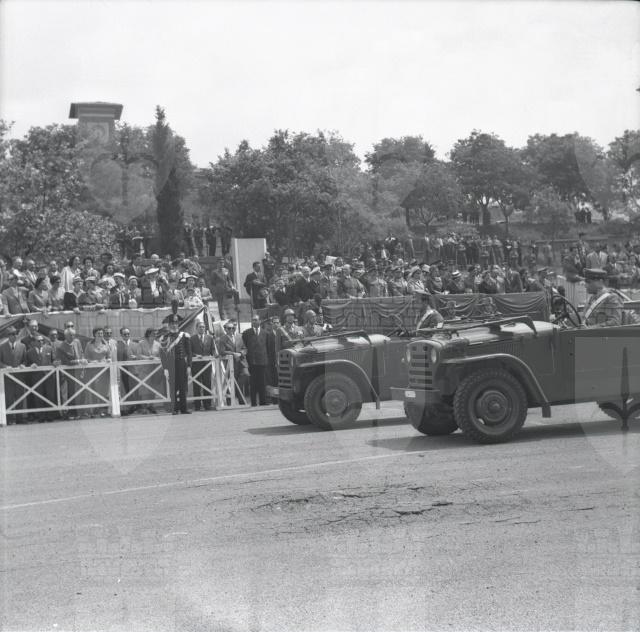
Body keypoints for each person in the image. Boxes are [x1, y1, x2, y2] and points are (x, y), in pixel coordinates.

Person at [159, 315, 192, 415]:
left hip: (181, 363)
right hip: (170, 364)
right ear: (169, 325)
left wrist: (189, 366)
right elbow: (162, 354)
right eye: (172, 323)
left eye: (176, 323)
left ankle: (184, 408)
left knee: (183, 386)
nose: (174, 325)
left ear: (178, 324)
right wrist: (165, 368)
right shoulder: (164, 337)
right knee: (173, 387)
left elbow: (189, 352)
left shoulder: (184, 336)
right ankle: (174, 408)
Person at [55, 327, 86, 420]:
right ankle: (71, 412)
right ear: (66, 336)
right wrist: (79, 361)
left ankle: (81, 412)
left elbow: (81, 353)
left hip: (79, 372)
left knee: (81, 392)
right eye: (70, 335)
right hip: (69, 374)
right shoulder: (60, 347)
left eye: (74, 335)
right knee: (71, 393)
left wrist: (83, 361)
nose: (73, 337)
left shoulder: (77, 342)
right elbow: (66, 362)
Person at [26, 334, 56, 421]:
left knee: (50, 396)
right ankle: (41, 417)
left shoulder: (49, 348)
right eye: (38, 341)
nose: (41, 342)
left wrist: (55, 363)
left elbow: (54, 359)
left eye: (42, 340)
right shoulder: (29, 352)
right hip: (36, 377)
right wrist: (31, 365)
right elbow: (27, 363)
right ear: (34, 342)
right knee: (38, 397)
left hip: (49, 376)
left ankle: (50, 416)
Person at [0, 326, 27, 423]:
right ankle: (10, 419)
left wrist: (23, 365)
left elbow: (25, 360)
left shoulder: (22, 346)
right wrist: (5, 367)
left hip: (19, 377)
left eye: (16, 333)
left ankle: (20, 419)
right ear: (8, 336)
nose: (15, 336)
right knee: (9, 398)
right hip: (7, 377)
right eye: (12, 334)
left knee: (20, 397)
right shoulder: (2, 347)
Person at [190, 321, 218, 411]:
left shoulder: (210, 338)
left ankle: (207, 405)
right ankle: (197, 405)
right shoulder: (192, 339)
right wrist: (195, 355)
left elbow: (213, 349)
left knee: (207, 384)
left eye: (203, 327)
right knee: (196, 385)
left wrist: (215, 354)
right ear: (196, 328)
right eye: (200, 327)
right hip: (196, 365)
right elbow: (189, 351)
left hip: (207, 365)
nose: (202, 328)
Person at [84, 327, 111, 417]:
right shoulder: (89, 345)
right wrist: (92, 361)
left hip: (104, 371)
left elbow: (109, 356)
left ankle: (104, 410)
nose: (100, 335)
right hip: (93, 371)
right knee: (94, 390)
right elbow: (86, 358)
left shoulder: (106, 344)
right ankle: (94, 411)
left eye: (102, 333)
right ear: (94, 334)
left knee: (104, 391)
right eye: (98, 333)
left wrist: (108, 360)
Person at [242, 314, 269, 406]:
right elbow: (245, 346)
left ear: (260, 321)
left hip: (262, 361)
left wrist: (267, 360)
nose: (254, 321)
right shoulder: (246, 333)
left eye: (256, 320)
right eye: (253, 320)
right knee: (253, 383)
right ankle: (253, 402)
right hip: (252, 361)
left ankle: (263, 402)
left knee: (262, 382)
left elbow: (267, 347)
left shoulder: (265, 333)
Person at [137, 327, 163, 413]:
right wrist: (148, 358)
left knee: (153, 388)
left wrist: (156, 358)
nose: (155, 335)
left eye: (156, 334)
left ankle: (151, 406)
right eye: (153, 333)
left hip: (155, 369)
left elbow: (160, 356)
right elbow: (139, 355)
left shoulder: (158, 344)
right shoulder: (141, 343)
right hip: (144, 369)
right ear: (148, 334)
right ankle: (144, 407)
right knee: (144, 389)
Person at [116, 327, 140, 416]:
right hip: (123, 371)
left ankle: (138, 406)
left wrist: (136, 357)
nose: (127, 335)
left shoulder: (136, 344)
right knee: (127, 389)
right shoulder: (117, 346)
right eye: (124, 334)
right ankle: (130, 407)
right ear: (121, 335)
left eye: (128, 334)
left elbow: (140, 356)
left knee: (136, 389)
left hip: (134, 370)